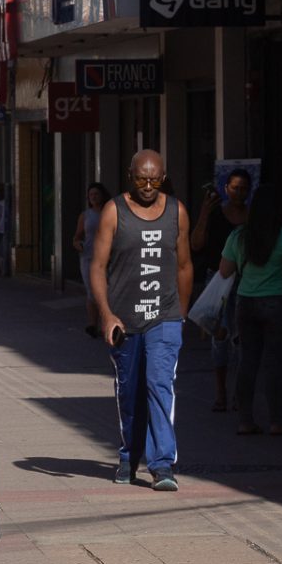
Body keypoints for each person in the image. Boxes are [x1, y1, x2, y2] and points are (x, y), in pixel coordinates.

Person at [88, 150, 194, 491]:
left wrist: (181, 314)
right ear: (130, 175)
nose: (148, 186)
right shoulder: (113, 212)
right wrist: (106, 315)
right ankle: (128, 457)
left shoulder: (177, 212)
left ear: (163, 177)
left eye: (155, 179)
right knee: (129, 391)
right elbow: (97, 267)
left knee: (159, 385)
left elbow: (184, 266)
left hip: (164, 317)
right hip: (125, 319)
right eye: (141, 179)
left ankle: (162, 464)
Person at [219, 191, 282, 435]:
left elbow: (225, 271)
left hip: (246, 303)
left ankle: (245, 420)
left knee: (247, 362)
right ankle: (276, 421)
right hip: (278, 304)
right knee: (275, 364)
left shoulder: (238, 237)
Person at [192, 168, 251, 411]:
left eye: (244, 188)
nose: (239, 193)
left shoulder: (252, 216)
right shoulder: (215, 214)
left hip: (247, 280)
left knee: (242, 338)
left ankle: (239, 391)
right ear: (226, 189)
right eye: (235, 188)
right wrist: (205, 213)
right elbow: (196, 244)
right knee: (220, 335)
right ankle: (220, 391)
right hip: (217, 278)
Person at [72, 183, 109, 338]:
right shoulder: (85, 215)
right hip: (89, 257)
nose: (93, 197)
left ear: (103, 195)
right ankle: (93, 324)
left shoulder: (110, 212)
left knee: (107, 291)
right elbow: (77, 236)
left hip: (108, 258)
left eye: (96, 194)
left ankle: (104, 324)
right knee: (92, 292)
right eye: (91, 195)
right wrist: (77, 244)